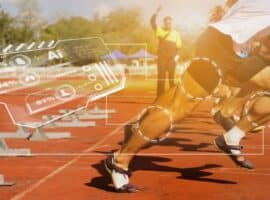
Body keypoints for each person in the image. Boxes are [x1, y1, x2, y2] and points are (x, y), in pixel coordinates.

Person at [104, 0, 270, 192]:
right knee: (178, 109)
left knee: (177, 102)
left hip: (229, 49)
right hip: (221, 49)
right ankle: (120, 159)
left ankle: (231, 132)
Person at [151, 6, 182, 97]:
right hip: (162, 58)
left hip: (172, 59)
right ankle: (159, 97)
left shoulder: (176, 33)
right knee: (161, 78)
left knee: (172, 78)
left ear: (171, 23)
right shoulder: (160, 30)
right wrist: (156, 12)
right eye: (166, 21)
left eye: (170, 21)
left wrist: (177, 57)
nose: (168, 23)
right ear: (164, 23)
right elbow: (152, 22)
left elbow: (178, 47)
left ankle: (172, 97)